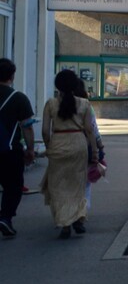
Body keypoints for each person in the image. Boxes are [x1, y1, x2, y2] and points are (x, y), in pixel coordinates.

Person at [40, 69, 98, 239]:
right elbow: (89, 129)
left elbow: (44, 131)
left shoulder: (51, 104)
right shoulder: (84, 104)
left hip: (58, 143)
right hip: (78, 144)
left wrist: (49, 146)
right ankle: (78, 219)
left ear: (57, 85)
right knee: (77, 185)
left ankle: (64, 223)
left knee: (58, 187)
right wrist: (94, 151)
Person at [0, 58, 37, 239]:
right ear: (12, 76)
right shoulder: (18, 98)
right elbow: (27, 126)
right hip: (9, 151)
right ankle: (6, 218)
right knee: (13, 186)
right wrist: (30, 150)